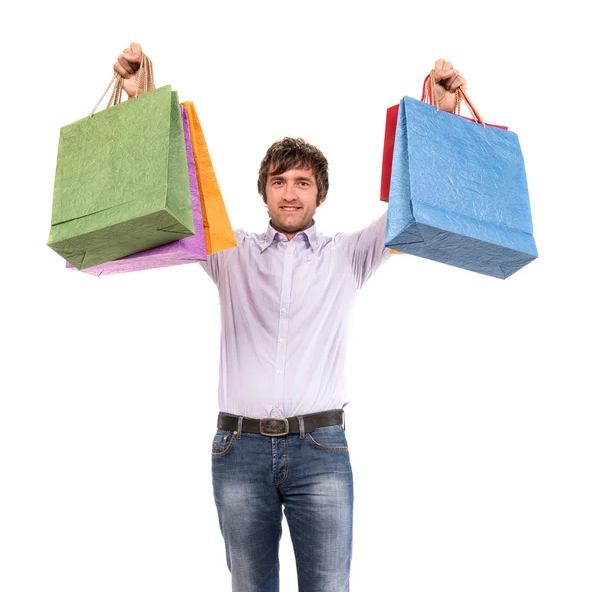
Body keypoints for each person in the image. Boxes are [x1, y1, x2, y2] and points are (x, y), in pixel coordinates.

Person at [114, 42, 467, 592]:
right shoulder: (228, 254)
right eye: (279, 181)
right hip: (238, 451)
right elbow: (181, 196)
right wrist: (143, 101)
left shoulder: (349, 256)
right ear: (264, 192)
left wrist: (441, 117)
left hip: (320, 450)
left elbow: (409, 206)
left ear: (319, 194)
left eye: (302, 182)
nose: (290, 192)